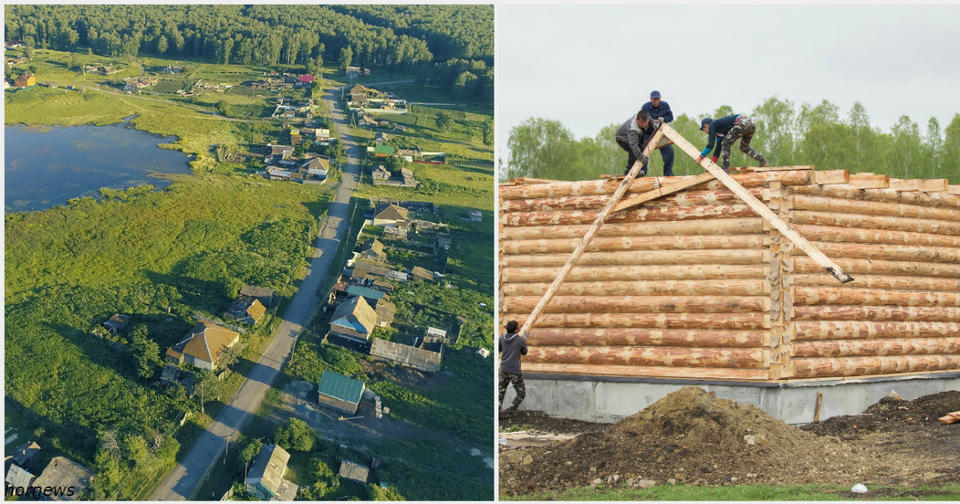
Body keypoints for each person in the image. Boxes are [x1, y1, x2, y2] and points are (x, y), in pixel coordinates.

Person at [696, 114, 768, 172]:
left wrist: (700, 157)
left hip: (742, 123)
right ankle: (762, 161)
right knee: (743, 147)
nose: (705, 132)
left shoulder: (712, 125)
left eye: (703, 129)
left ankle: (725, 168)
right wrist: (711, 166)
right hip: (751, 125)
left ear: (706, 125)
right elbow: (717, 150)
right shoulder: (719, 132)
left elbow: (710, 145)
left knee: (725, 143)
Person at [615, 109, 660, 176]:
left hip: (633, 136)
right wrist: (641, 158)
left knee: (640, 148)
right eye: (642, 123)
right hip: (622, 138)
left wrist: (654, 123)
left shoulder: (645, 116)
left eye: (646, 122)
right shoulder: (633, 129)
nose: (644, 125)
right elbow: (634, 147)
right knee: (633, 151)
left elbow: (649, 119)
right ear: (637, 120)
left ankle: (636, 170)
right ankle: (629, 171)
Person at [641, 90, 675, 176]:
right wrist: (651, 122)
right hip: (648, 134)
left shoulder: (665, 105)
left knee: (670, 151)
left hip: (661, 133)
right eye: (654, 100)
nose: (656, 101)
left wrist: (664, 119)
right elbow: (641, 120)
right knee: (643, 152)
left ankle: (668, 173)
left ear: (660, 99)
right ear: (650, 99)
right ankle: (642, 172)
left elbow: (670, 117)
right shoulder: (645, 107)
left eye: (657, 99)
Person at [498, 320, 528, 412]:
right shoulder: (520, 340)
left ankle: (498, 411)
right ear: (515, 330)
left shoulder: (502, 338)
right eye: (519, 326)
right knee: (521, 394)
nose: (520, 327)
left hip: (503, 369)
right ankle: (510, 410)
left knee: (500, 392)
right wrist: (524, 342)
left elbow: (499, 349)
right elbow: (524, 352)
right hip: (514, 371)